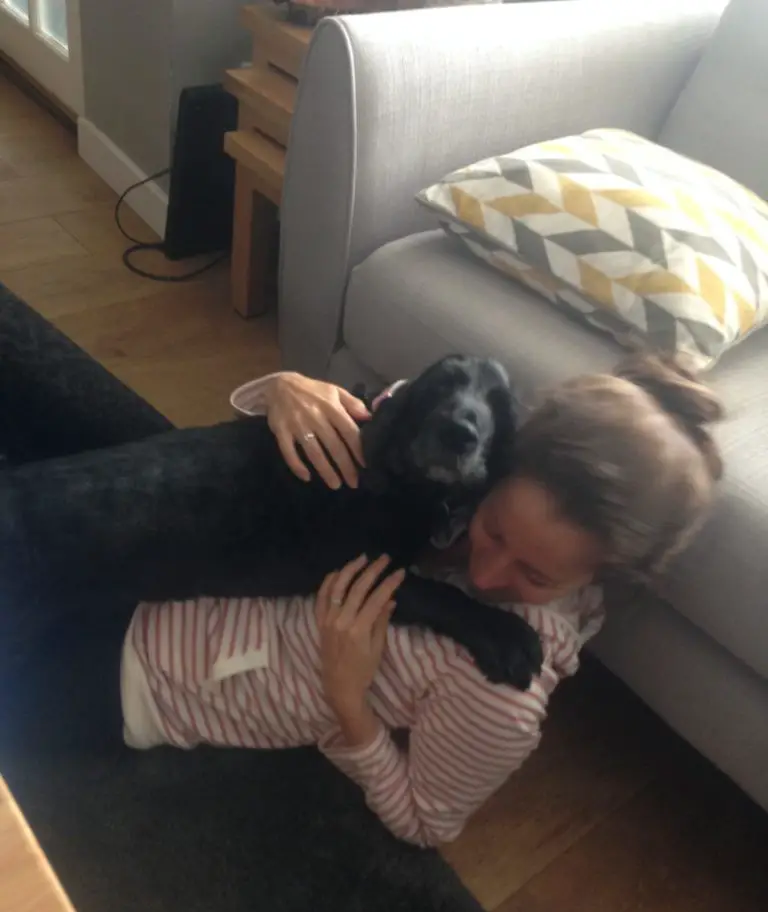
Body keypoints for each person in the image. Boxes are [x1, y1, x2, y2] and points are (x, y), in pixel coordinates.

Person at [0, 293, 723, 846]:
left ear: (601, 577)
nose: (488, 571)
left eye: (534, 576)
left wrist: (351, 705)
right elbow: (341, 431)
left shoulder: (501, 691)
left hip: (151, 674)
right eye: (493, 528)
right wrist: (283, 387)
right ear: (502, 458)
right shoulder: (460, 455)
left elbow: (426, 822)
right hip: (176, 552)